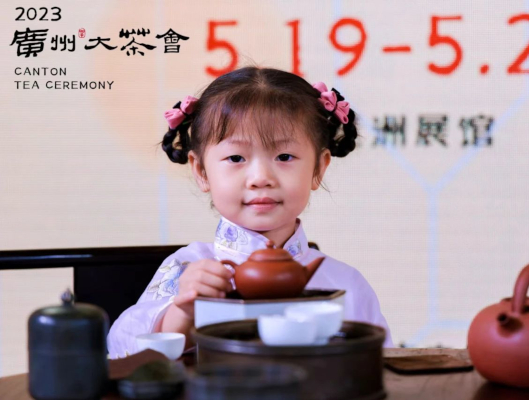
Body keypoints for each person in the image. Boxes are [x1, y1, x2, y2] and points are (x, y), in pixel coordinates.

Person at [107, 66, 394, 358]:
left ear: (318, 168)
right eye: (236, 158)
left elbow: (384, 368)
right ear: (201, 171)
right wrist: (182, 311)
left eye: (284, 156)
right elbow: (121, 349)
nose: (260, 178)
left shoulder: (345, 284)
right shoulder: (187, 269)